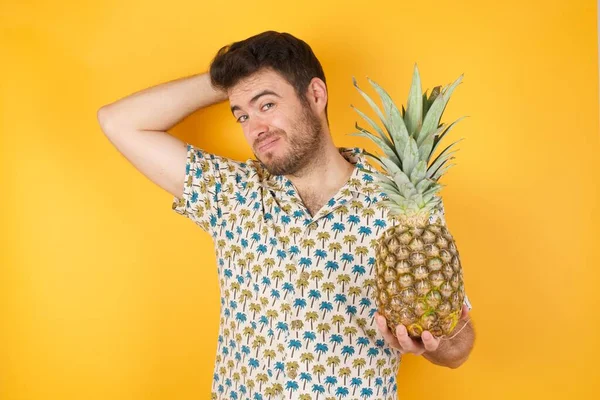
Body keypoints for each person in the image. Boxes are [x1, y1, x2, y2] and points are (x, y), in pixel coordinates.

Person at [97, 30, 475, 400]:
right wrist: (229, 81)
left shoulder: (403, 205)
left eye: (266, 105)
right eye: (241, 116)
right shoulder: (233, 194)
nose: (256, 129)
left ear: (315, 94)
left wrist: (432, 340)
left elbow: (459, 350)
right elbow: (118, 121)